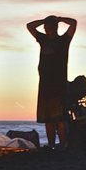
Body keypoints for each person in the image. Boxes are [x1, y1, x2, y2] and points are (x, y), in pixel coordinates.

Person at [27, 15, 77, 149]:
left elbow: (73, 23)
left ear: (55, 28)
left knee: (60, 119)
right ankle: (51, 145)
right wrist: (44, 20)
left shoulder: (63, 40)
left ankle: (62, 145)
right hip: (44, 85)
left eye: (50, 27)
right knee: (47, 119)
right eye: (46, 28)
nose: (47, 30)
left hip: (59, 85)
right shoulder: (43, 39)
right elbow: (30, 26)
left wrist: (59, 18)